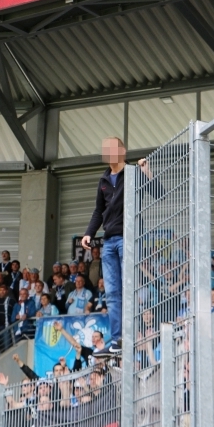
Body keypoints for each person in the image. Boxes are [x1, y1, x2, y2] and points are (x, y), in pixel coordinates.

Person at [82, 137, 161, 353]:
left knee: (129, 288)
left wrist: (147, 171)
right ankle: (118, 340)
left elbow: (158, 193)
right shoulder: (103, 180)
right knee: (112, 293)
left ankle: (133, 335)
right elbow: (99, 211)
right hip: (109, 242)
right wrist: (89, 233)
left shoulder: (134, 172)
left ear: (123, 150)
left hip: (129, 238)